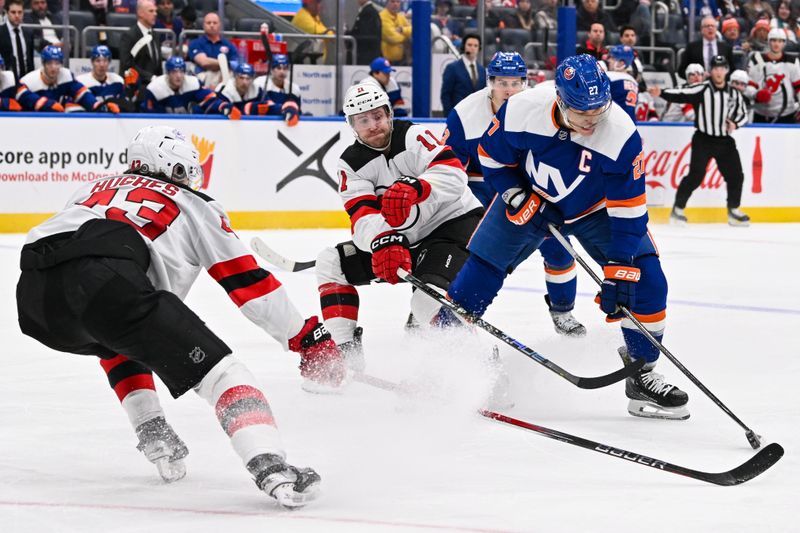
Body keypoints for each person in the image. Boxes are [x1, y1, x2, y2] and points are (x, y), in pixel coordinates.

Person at [16, 125, 340, 508]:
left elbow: (108, 313)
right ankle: (271, 465)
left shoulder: (93, 188)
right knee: (224, 374)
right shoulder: (194, 203)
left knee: (116, 335)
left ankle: (152, 430)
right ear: (174, 166)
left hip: (35, 299)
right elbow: (249, 285)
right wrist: (306, 339)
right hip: (106, 278)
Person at [446, 54, 690, 420]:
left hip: (597, 210)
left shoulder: (620, 133)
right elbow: (491, 158)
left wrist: (621, 264)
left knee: (649, 283)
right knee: (472, 281)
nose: (592, 120)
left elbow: (629, 208)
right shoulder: (522, 110)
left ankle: (642, 376)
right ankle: (446, 367)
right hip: (531, 198)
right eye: (581, 112)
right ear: (559, 99)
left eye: (598, 110)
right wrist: (516, 196)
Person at [313, 82, 484, 372]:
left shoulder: (415, 136)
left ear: (389, 114)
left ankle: (479, 368)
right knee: (331, 263)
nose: (373, 126)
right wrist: (384, 241)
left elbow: (455, 176)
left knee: (425, 302)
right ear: (352, 125)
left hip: (450, 227)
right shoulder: (351, 164)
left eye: (378, 116)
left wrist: (419, 187)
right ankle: (346, 357)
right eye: (363, 120)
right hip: (404, 238)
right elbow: (362, 216)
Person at [445, 52, 587, 337]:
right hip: (480, 188)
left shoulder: (538, 107)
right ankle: (452, 318)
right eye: (501, 82)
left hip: (530, 186)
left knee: (559, 249)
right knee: (470, 252)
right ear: (490, 83)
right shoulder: (464, 113)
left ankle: (563, 310)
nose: (508, 89)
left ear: (525, 83)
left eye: (515, 82)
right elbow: (447, 168)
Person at [649, 55, 750, 226]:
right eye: (716, 68)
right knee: (696, 176)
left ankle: (733, 210)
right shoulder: (702, 88)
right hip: (703, 139)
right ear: (711, 71)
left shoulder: (734, 93)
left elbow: (743, 114)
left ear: (727, 71)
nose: (719, 72)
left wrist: (735, 123)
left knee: (736, 176)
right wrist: (662, 93)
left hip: (725, 141)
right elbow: (682, 93)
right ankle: (678, 209)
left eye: (722, 68)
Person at [16, 45, 118, 113]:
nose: (54, 67)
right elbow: (22, 97)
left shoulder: (66, 75)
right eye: (50, 63)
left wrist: (99, 106)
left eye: (57, 63)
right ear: (43, 64)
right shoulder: (29, 81)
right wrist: (47, 104)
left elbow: (82, 94)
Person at [141, 55, 239, 118]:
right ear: (168, 73)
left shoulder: (193, 83)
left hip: (188, 127)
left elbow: (210, 99)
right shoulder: (155, 88)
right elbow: (150, 116)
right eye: (174, 72)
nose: (178, 76)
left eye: (181, 71)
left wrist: (224, 106)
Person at [747, 28, 800, 123]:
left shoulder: (792, 61)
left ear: (784, 43)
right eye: (774, 40)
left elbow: (798, 87)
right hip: (761, 113)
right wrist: (756, 94)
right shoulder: (756, 60)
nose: (776, 44)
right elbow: (749, 86)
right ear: (768, 42)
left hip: (787, 113)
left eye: (780, 41)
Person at [187, 13, 239, 89]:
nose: (211, 25)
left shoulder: (229, 45)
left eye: (215, 23)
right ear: (203, 25)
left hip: (224, 75)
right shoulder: (195, 43)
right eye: (208, 23)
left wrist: (223, 66)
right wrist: (224, 64)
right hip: (204, 75)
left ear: (220, 25)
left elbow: (235, 64)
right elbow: (204, 62)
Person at [120, 0, 163, 87]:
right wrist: (150, 77)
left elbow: (158, 64)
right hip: (136, 87)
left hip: (156, 87)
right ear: (140, 13)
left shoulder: (156, 35)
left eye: (155, 11)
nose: (155, 14)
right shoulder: (129, 36)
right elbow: (127, 64)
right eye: (151, 11)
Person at [216, 62, 284, 116]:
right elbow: (216, 111)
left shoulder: (257, 90)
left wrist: (283, 108)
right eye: (241, 78)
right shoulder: (224, 90)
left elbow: (270, 106)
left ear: (252, 79)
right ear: (235, 78)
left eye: (248, 78)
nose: (244, 82)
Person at [440, 35, 485, 116]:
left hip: (477, 116)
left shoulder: (482, 70)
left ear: (479, 48)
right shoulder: (452, 68)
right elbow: (445, 95)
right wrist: (450, 116)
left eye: (475, 46)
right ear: (464, 46)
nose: (472, 48)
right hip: (458, 115)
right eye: (469, 45)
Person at [77, 45, 130, 110]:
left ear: (109, 62)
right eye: (98, 61)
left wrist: (131, 89)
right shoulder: (81, 82)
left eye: (105, 61)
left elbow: (125, 106)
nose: (102, 65)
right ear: (92, 62)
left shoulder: (117, 81)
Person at [254, 54, 302, 126]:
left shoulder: (294, 89)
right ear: (271, 70)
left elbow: (297, 111)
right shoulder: (260, 83)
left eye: (285, 68)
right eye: (278, 68)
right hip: (261, 125)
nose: (282, 72)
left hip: (286, 126)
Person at [0, 0, 34, 80]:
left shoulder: (28, 33)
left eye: (20, 12)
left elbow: (30, 60)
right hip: (6, 80)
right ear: (7, 13)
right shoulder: (1, 32)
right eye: (13, 12)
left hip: (26, 80)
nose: (17, 15)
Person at [604, 44, 639, 122]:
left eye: (612, 58)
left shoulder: (609, 77)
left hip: (614, 124)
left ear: (622, 63)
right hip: (631, 126)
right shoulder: (634, 82)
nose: (609, 60)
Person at [348, 0, 381, 65]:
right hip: (365, 57)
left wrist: (351, 37)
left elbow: (366, 36)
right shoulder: (366, 11)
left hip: (365, 58)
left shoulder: (369, 12)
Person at [380, 0, 411, 65]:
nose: (395, 4)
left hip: (401, 59)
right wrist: (406, 38)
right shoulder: (382, 16)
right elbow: (392, 37)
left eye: (398, 2)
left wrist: (402, 30)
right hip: (386, 61)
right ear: (387, 3)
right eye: (392, 1)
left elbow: (412, 30)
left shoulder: (400, 17)